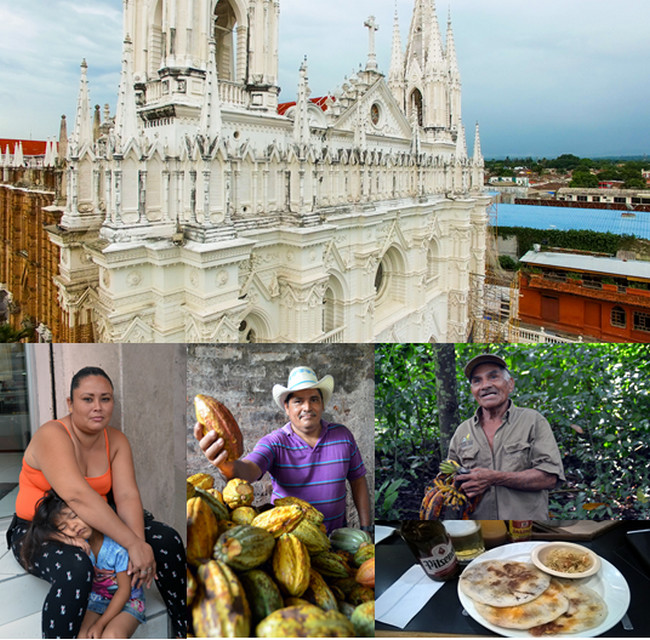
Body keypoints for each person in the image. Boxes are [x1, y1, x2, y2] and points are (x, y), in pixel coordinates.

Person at [6, 366, 186, 638]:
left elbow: (126, 496)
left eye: (106, 398)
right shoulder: (52, 435)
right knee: (76, 567)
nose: (98, 407)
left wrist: (135, 549)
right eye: (87, 399)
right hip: (39, 529)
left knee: (167, 540)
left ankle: (186, 629)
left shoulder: (116, 441)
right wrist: (133, 544)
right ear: (70, 403)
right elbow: (77, 495)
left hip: (94, 525)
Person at [194, 365, 372, 533]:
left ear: (322, 404)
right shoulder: (274, 442)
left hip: (339, 540)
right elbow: (249, 469)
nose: (307, 407)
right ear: (287, 408)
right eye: (298, 401)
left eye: (314, 400)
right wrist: (227, 465)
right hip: (289, 540)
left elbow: (358, 481)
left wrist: (366, 529)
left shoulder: (343, 436)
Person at [447, 354, 565, 520]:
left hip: (528, 525)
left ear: (510, 384)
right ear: (473, 391)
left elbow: (550, 477)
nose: (485, 385)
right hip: (480, 528)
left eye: (493, 377)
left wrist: (495, 478)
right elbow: (450, 481)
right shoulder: (462, 431)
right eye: (477, 381)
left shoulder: (532, 421)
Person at [21, 490, 145, 639]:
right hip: (97, 600)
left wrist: (100, 624)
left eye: (74, 516)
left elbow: (124, 591)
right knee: (82, 635)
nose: (72, 527)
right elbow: (39, 534)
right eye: (63, 527)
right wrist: (68, 540)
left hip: (128, 601)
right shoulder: (79, 545)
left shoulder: (117, 546)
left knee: (112, 635)